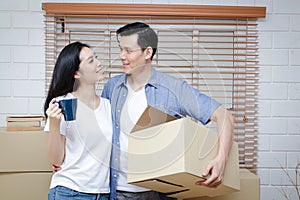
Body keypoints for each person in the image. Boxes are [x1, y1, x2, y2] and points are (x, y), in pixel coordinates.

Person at [101, 22, 234, 200]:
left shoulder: (174, 88)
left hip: (160, 192)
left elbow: (224, 116)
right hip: (117, 191)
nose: (121, 56)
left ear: (147, 52)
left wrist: (221, 160)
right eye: (120, 49)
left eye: (128, 51)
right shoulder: (112, 86)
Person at [44, 41, 112, 200]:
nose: (98, 63)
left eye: (96, 57)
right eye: (91, 60)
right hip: (70, 191)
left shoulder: (108, 106)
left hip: (103, 194)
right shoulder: (64, 103)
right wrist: (54, 124)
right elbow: (56, 160)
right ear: (76, 73)